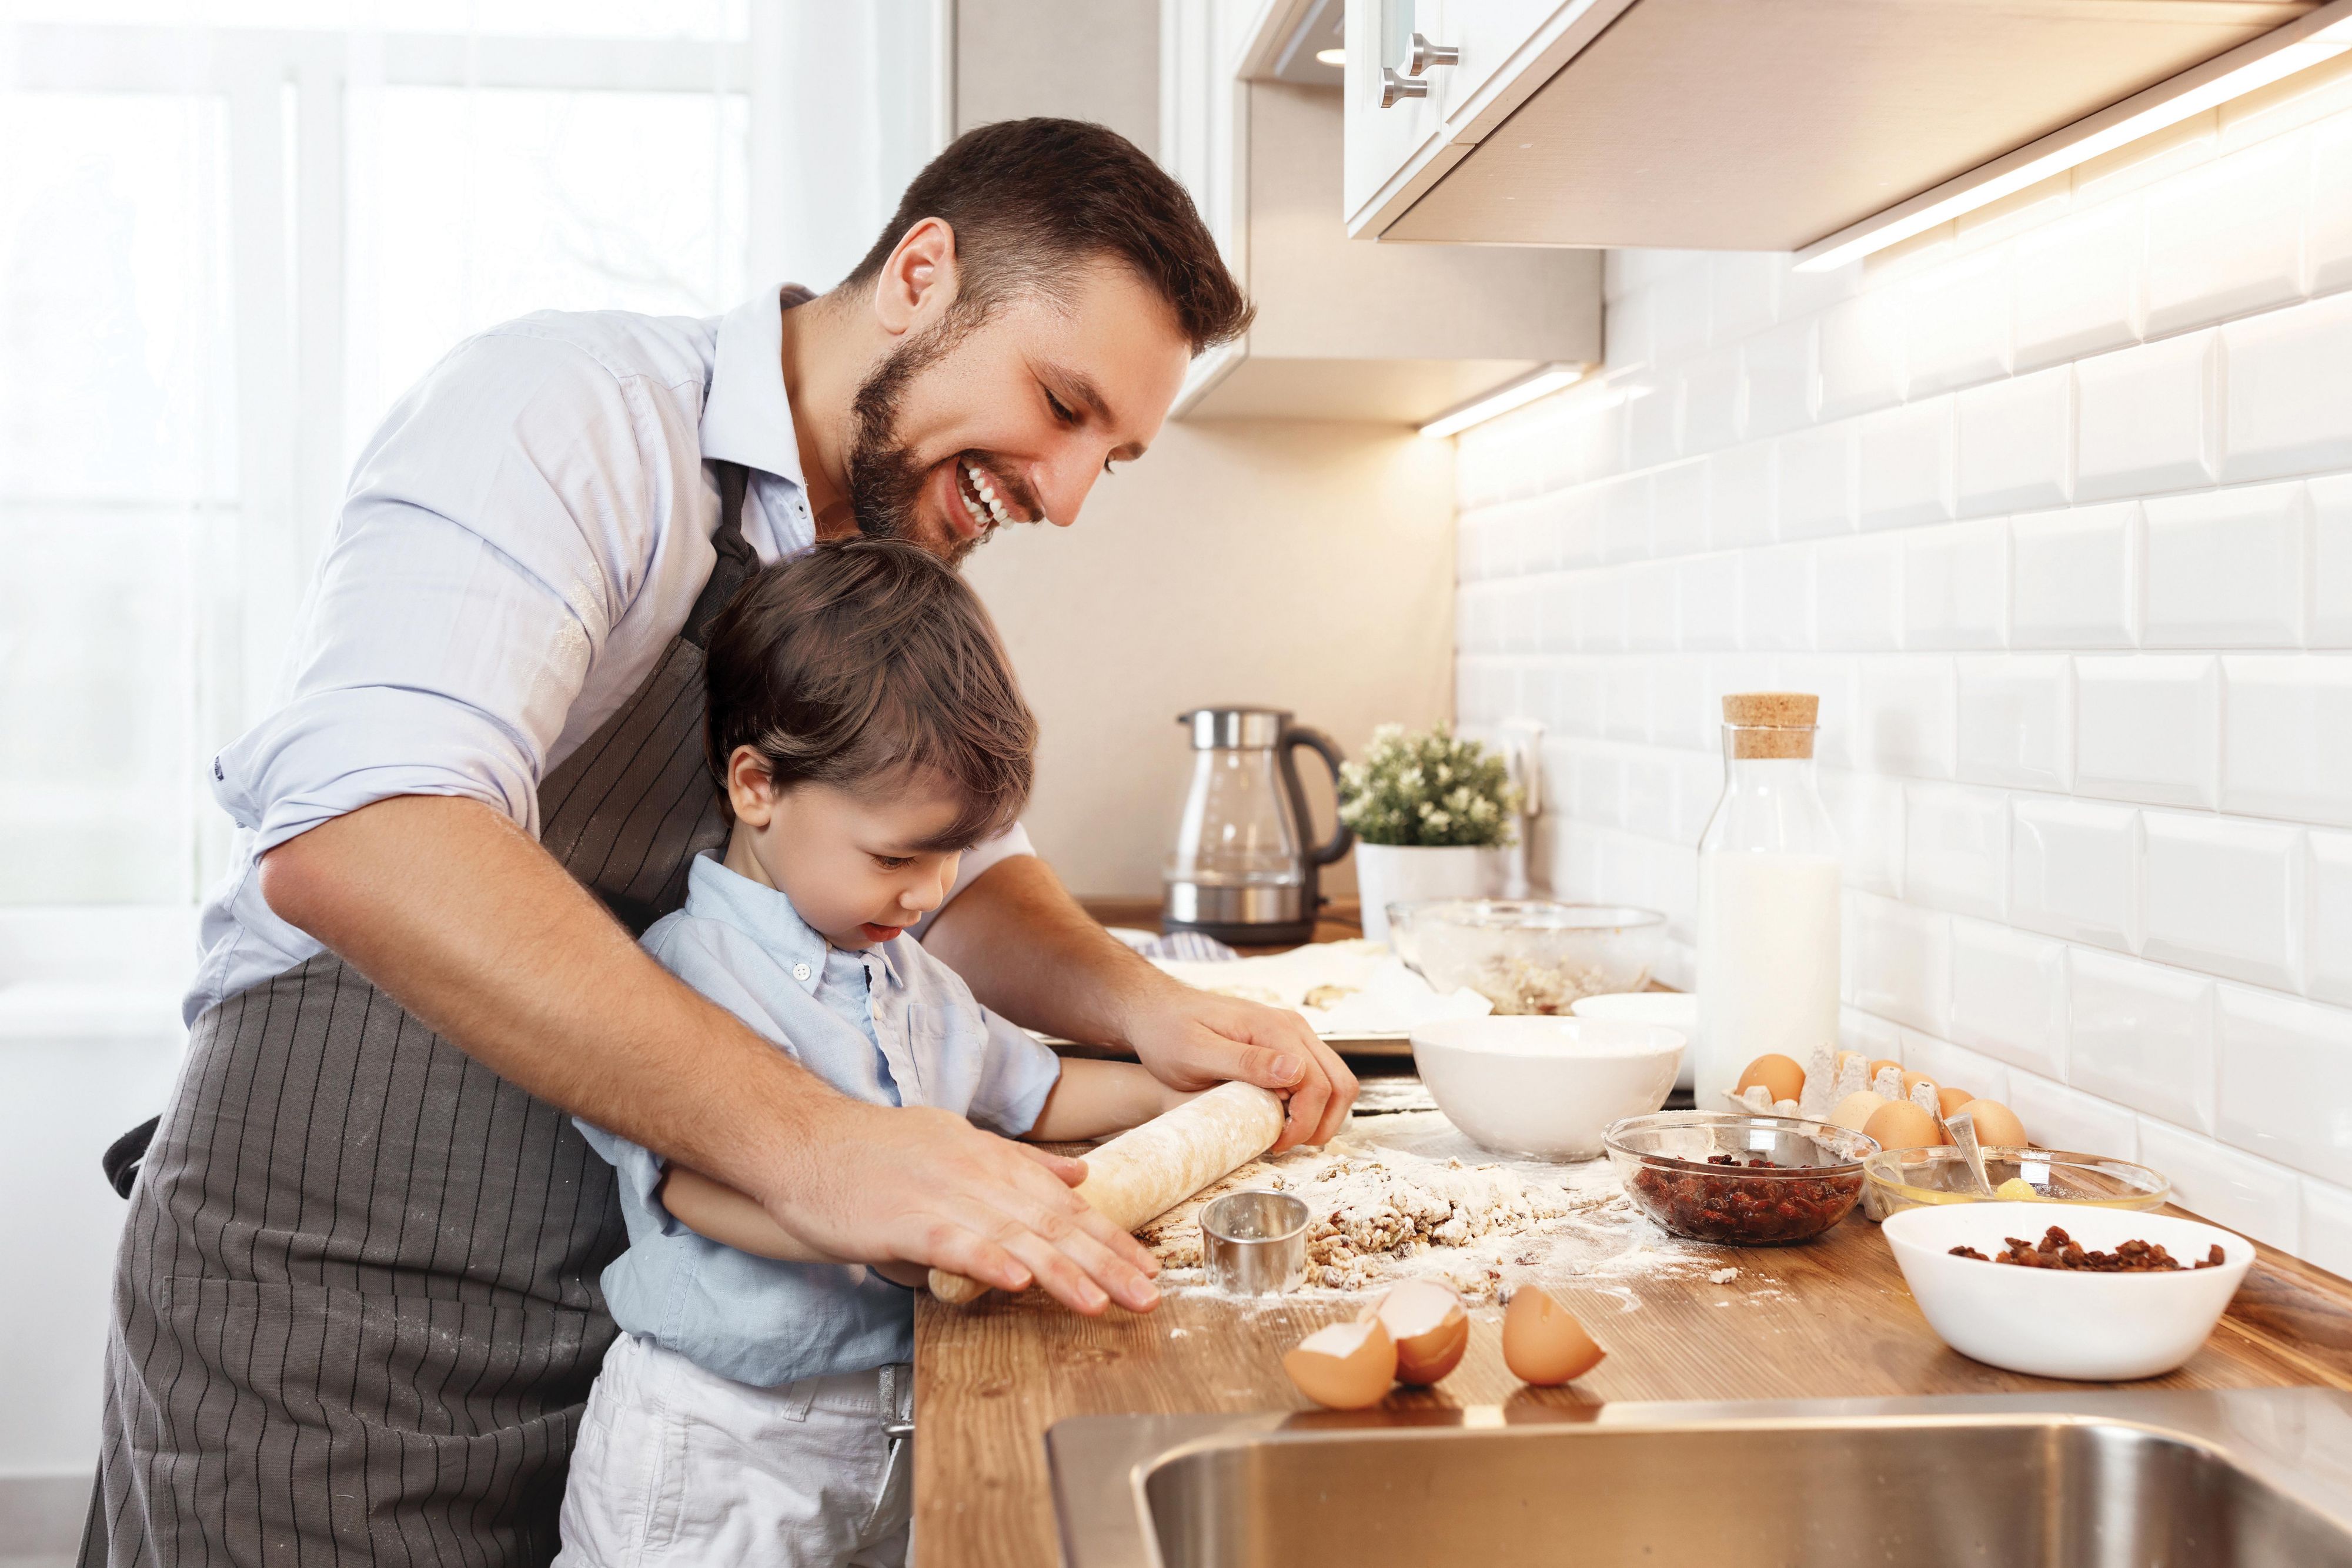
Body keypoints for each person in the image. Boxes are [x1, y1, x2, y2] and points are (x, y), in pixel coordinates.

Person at [85, 118, 1357, 1567]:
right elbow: (368, 829)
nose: (1063, 494)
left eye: (1108, 459)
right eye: (1060, 405)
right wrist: (823, 1147)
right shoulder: (568, 414)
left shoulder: (883, 572)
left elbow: (972, 876)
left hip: (650, 1311)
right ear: (922, 272)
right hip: (341, 1289)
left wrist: (1152, 1009)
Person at [556, 537, 1190, 1567]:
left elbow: (1041, 1088)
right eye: (897, 856)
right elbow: (688, 1189)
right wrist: (865, 1228)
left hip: (888, 1433)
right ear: (757, 787)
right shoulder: (687, 974)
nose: (930, 895)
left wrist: (1183, 1097)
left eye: (951, 858)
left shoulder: (913, 977)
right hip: (719, 1451)